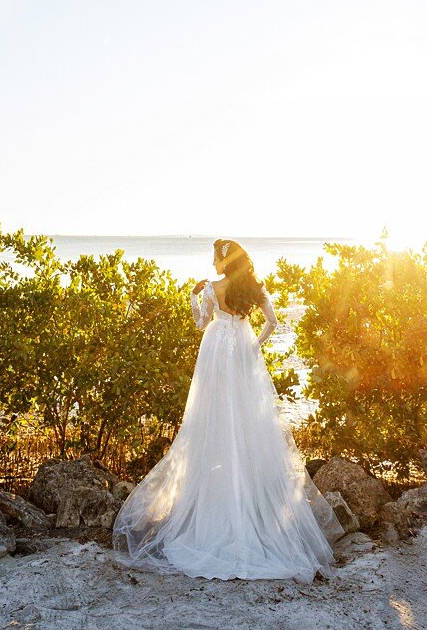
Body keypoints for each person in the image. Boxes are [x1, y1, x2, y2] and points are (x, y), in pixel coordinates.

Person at [111, 238, 341, 581]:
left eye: (215, 256)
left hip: (216, 351)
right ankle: (253, 508)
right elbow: (274, 324)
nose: (213, 261)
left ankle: (214, 506)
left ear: (223, 260)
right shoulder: (255, 289)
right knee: (246, 421)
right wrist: (252, 345)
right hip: (241, 354)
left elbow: (201, 323)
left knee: (213, 419)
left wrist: (193, 296)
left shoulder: (212, 288)